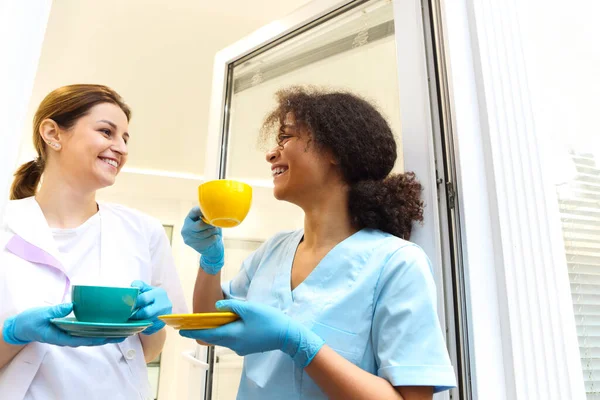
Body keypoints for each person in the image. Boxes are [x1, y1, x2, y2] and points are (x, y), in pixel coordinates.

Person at [180, 86, 457, 399]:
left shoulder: (398, 263)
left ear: (335, 150)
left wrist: (300, 343)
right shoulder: (273, 250)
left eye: (286, 136)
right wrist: (210, 260)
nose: (272, 153)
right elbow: (207, 329)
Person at [0, 84, 187, 400]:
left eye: (125, 139)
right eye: (107, 132)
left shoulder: (145, 232)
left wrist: (153, 326)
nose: (121, 148)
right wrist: (14, 334)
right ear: (52, 133)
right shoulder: (6, 224)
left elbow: (147, 352)